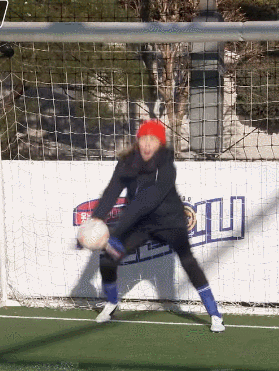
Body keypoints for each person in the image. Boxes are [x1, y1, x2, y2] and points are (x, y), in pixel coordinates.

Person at [90, 119, 225, 332]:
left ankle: (215, 313)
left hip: (170, 222)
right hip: (142, 225)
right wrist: (96, 218)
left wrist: (117, 230)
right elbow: (112, 191)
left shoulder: (166, 165)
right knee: (108, 257)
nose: (147, 144)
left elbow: (146, 200)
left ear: (160, 144)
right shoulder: (126, 163)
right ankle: (112, 302)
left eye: (153, 140)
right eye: (144, 138)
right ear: (138, 141)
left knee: (188, 261)